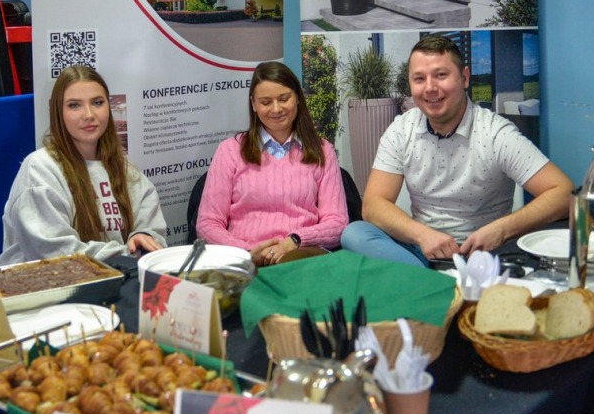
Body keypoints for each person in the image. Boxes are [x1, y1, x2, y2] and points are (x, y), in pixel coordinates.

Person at [341, 35, 574, 266]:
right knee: (354, 233)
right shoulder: (401, 129)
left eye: (441, 75)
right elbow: (373, 206)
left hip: (483, 254)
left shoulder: (496, 133)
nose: (430, 88)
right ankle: (432, 280)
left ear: (464, 78)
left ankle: (424, 280)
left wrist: (502, 230)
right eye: (419, 78)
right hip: (421, 250)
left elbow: (564, 194)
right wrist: (422, 235)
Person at [0, 66, 166, 265]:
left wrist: (142, 237)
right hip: (48, 282)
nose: (89, 114)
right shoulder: (39, 169)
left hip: (118, 277)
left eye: (97, 102)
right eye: (74, 105)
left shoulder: (126, 170)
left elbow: (154, 236)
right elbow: (54, 254)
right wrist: (127, 255)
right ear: (58, 113)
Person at [196, 61, 348, 266]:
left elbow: (337, 223)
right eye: (266, 102)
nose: (276, 109)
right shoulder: (229, 151)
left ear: (298, 98)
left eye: (284, 99)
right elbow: (207, 224)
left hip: (301, 257)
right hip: (246, 261)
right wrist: (247, 252)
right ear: (253, 104)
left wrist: (295, 241)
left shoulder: (322, 150)